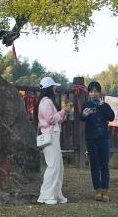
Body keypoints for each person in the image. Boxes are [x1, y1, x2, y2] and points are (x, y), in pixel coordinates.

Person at [77, 80, 116, 201]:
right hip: (91, 138)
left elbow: (111, 117)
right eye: (91, 91)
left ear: (100, 93)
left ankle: (105, 189)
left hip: (103, 138)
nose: (93, 94)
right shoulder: (86, 105)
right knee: (94, 164)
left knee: (104, 165)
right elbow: (81, 118)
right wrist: (84, 114)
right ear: (89, 93)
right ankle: (97, 190)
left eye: (96, 91)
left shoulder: (104, 105)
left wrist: (101, 105)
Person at [36, 76, 71, 205]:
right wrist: (63, 111)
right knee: (53, 167)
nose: (56, 88)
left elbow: (56, 119)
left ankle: (56, 194)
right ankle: (45, 195)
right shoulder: (45, 102)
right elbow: (51, 120)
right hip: (50, 136)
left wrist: (64, 112)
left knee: (58, 167)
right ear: (49, 88)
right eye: (54, 86)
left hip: (53, 136)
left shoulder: (47, 101)